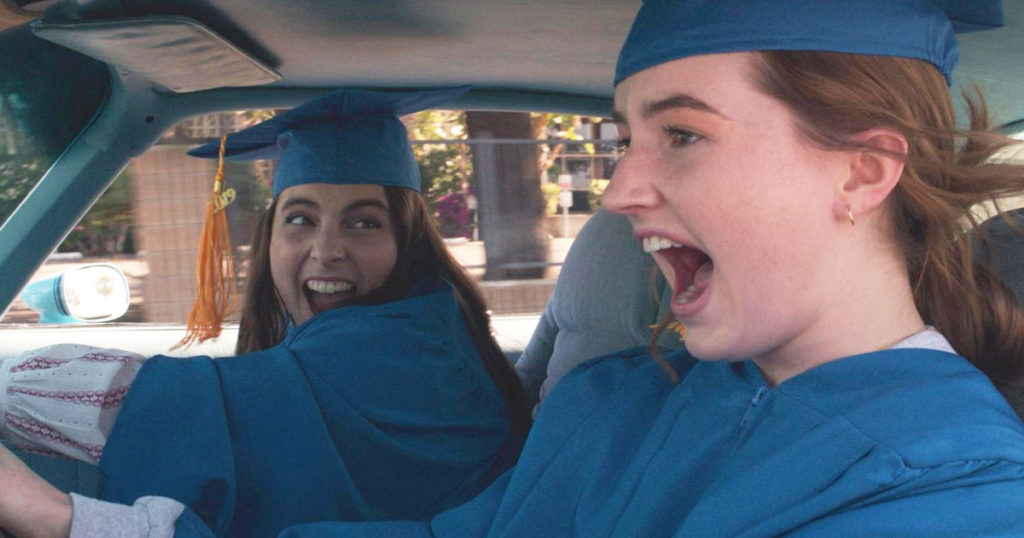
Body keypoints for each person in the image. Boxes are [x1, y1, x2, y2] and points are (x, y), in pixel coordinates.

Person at [272, 0, 1024, 535]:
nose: (620, 193)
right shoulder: (614, 402)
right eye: (627, 137)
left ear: (863, 172)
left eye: (683, 135)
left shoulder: (958, 491)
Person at [0, 88, 529, 537]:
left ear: (406, 240)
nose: (327, 250)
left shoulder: (403, 359)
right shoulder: (440, 330)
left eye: (364, 223)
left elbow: (156, 403)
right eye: (300, 219)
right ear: (270, 237)